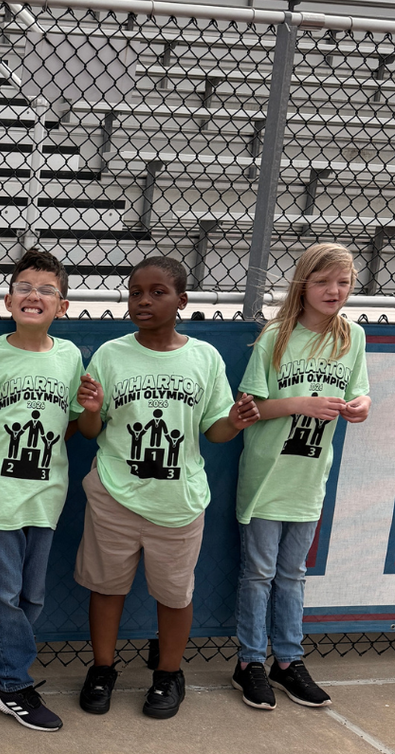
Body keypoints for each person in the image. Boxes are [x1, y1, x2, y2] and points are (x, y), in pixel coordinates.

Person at [75, 256, 259, 719]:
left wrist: (233, 423)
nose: (144, 300)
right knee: (106, 586)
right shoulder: (111, 355)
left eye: (157, 292)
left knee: (175, 594)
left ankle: (168, 675)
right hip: (116, 494)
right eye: (136, 292)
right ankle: (102, 669)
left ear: (183, 300)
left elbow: (213, 430)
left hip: (178, 501)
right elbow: (90, 431)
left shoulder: (203, 357)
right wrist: (92, 409)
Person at [232, 244, 370, 710]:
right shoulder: (276, 336)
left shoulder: (352, 337)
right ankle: (249, 661)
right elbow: (250, 409)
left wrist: (358, 408)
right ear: (303, 285)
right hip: (267, 479)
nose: (334, 291)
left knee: (293, 574)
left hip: (309, 480)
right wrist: (299, 404)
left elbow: (361, 394)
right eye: (323, 281)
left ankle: (287, 661)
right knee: (259, 574)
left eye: (344, 282)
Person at [0, 248, 82, 731]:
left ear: (63, 306)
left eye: (46, 289)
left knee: (31, 597)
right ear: (7, 297)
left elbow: (72, 422)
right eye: (24, 287)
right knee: (5, 596)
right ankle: (12, 682)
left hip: (46, 494)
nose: (33, 295)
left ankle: (12, 669)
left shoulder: (71, 356)